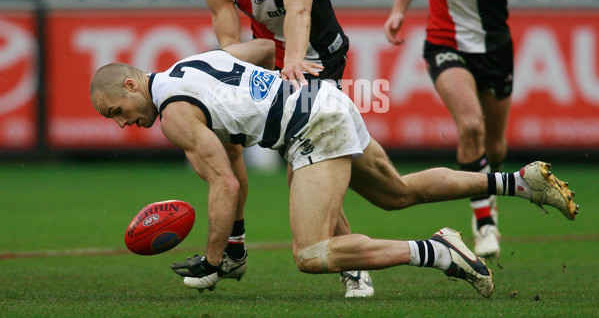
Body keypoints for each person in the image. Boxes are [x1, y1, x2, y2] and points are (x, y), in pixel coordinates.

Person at [89, 39, 578, 299]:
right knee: (397, 193)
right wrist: (254, 97)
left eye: (115, 112)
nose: (122, 126)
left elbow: (224, 182)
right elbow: (261, 50)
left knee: (310, 253)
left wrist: (214, 262)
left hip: (311, 129)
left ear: (131, 85)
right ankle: (521, 181)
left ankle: (439, 251)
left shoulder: (173, 113)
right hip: (325, 103)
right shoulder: (190, 63)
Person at [201, 0, 370, 297]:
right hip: (273, 67)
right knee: (227, 143)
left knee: (304, 172)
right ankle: (234, 247)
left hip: (317, 62)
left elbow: (298, 12)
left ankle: (356, 267)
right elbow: (230, 51)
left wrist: (292, 59)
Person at [383, 0, 545, 259]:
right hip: (444, 43)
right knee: (470, 124)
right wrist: (398, 11)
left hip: (494, 48)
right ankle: (484, 221)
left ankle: (486, 190)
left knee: (495, 146)